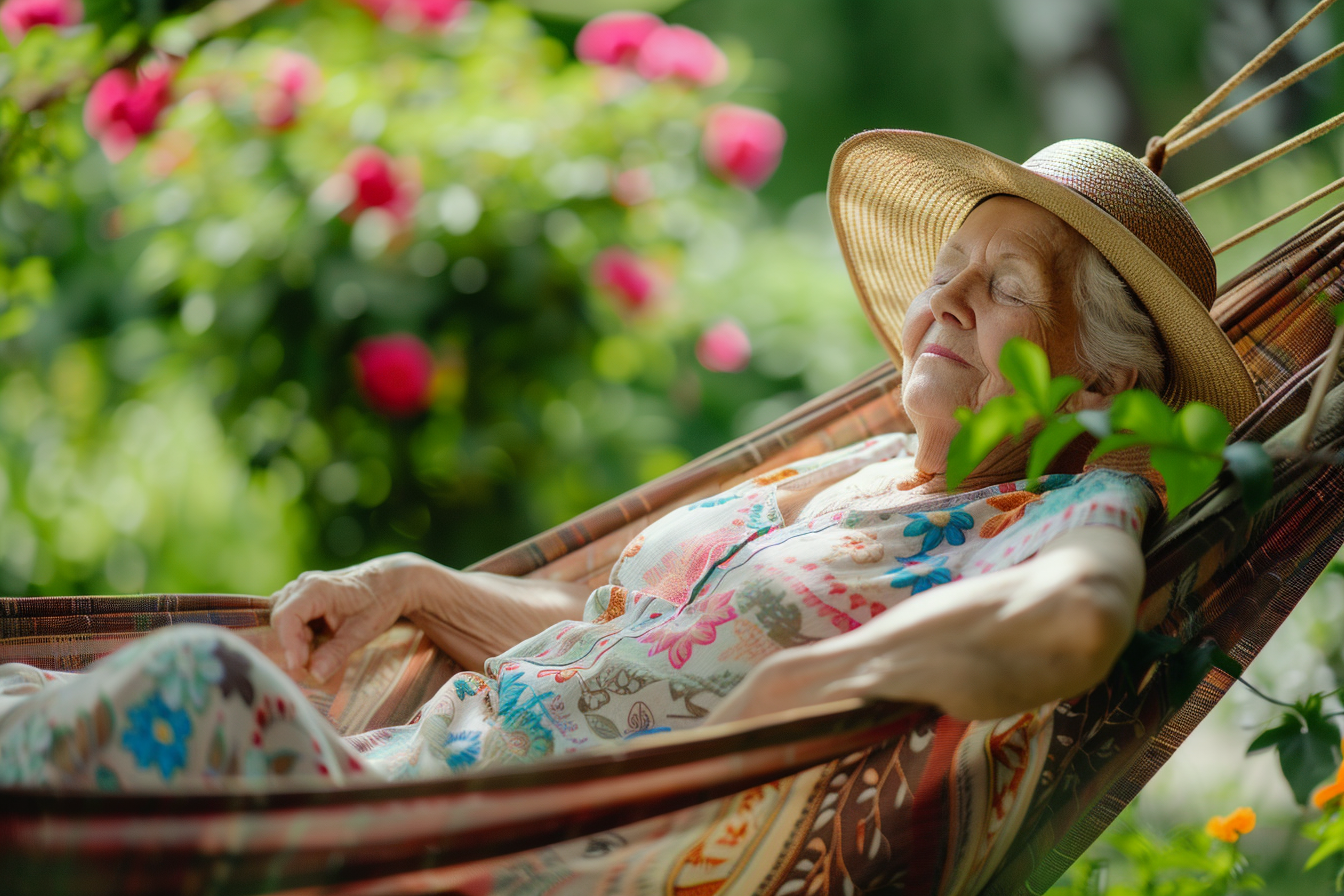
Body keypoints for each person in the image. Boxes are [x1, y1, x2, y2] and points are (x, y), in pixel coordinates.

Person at [0, 133, 1259, 893]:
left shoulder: (1057, 509)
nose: (943, 307)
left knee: (195, 695)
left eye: (1000, 289)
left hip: (472, 844)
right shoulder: (850, 473)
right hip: (404, 770)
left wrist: (821, 680)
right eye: (945, 277)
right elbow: (612, 624)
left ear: (1101, 379)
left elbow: (1080, 619)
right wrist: (418, 582)